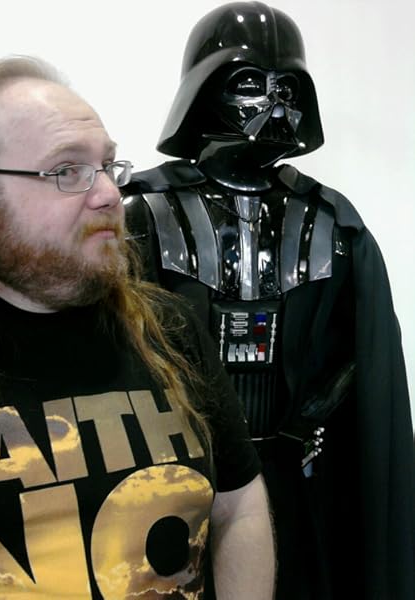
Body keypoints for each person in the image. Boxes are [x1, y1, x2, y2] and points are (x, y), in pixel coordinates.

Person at [124, 2, 415, 599]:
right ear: (203, 89)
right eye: (250, 83)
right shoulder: (145, 214)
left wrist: (315, 417)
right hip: (172, 480)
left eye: (288, 87)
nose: (274, 103)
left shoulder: (333, 224)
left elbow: (363, 359)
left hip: (295, 477)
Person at [0, 55, 276, 599]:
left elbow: (238, 504)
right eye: (67, 171)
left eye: (108, 165)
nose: (110, 193)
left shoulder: (170, 331)